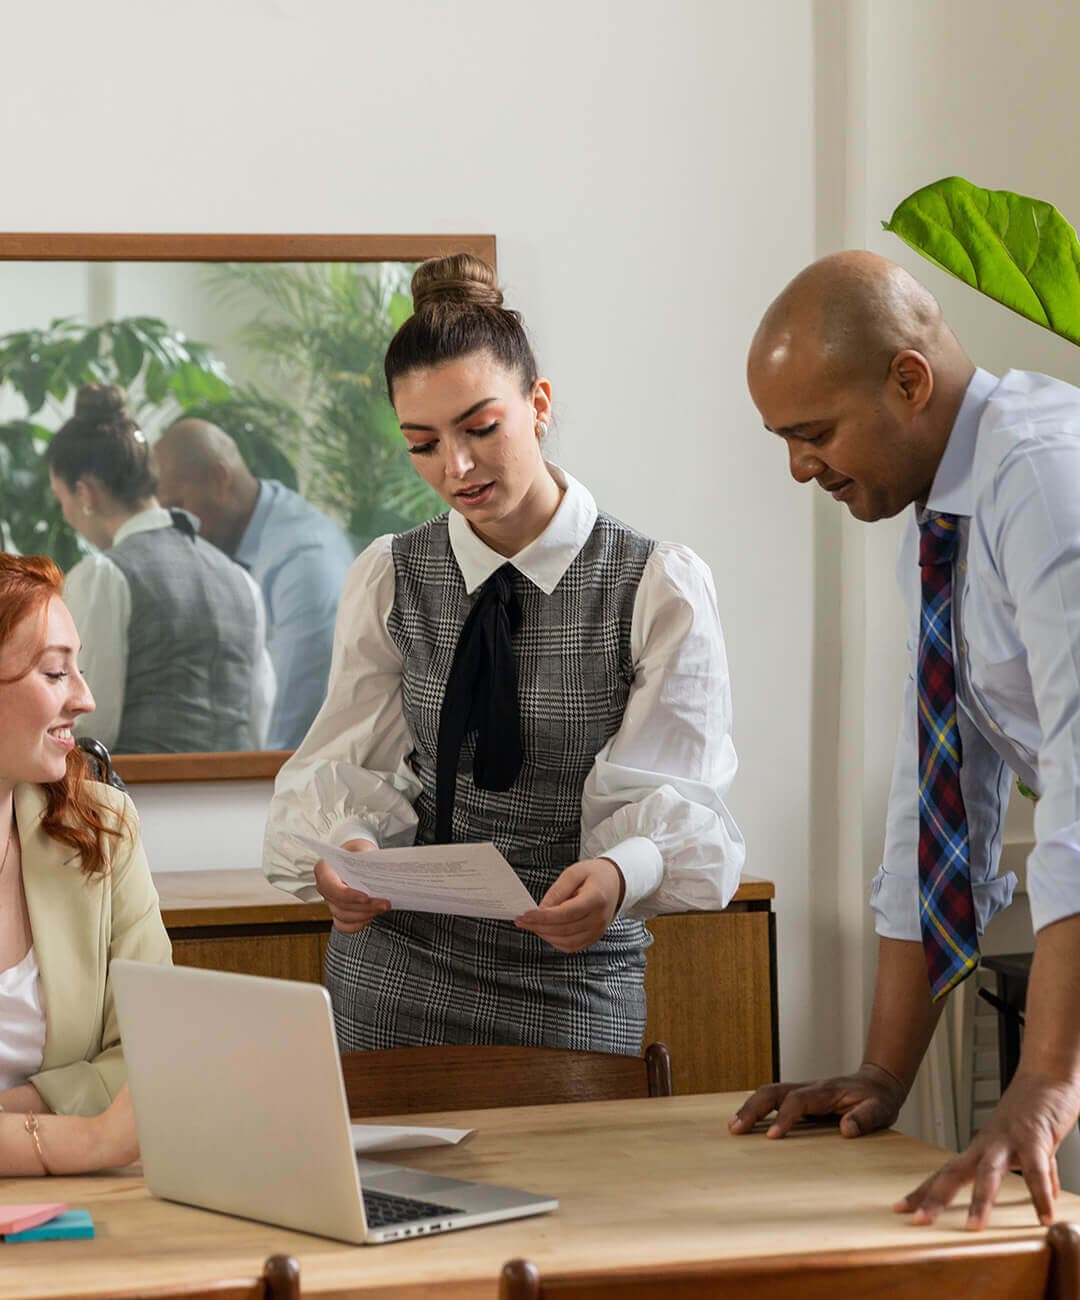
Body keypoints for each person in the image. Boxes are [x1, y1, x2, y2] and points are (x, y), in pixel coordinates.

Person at [263, 253, 745, 1055]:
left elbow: (684, 800)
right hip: (393, 974)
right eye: (422, 444)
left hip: (572, 979)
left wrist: (623, 873)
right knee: (377, 1186)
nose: (454, 467)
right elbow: (349, 764)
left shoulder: (656, 584)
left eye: (480, 428)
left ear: (539, 404)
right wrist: (348, 853)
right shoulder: (391, 574)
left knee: (576, 1184)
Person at [736, 249, 1080, 1230]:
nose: (801, 465)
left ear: (908, 380)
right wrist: (884, 1070)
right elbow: (935, 809)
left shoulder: (1045, 481)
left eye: (812, 433)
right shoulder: (942, 533)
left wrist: (1051, 1075)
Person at [0, 552, 172, 1174]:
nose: (86, 698)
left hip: (88, 1202)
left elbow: (152, 1053)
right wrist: (87, 1139)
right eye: (54, 673)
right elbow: (115, 1120)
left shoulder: (102, 827)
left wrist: (14, 1116)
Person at [47, 385, 275, 754]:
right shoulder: (239, 580)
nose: (66, 514)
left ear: (85, 494)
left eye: (62, 499)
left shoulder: (103, 576)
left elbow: (88, 726)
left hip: (136, 803)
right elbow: (257, 719)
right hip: (235, 803)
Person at [153, 418, 356, 750]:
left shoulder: (303, 564)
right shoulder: (225, 545)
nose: (176, 526)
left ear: (219, 480)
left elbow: (289, 737)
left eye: (177, 507)